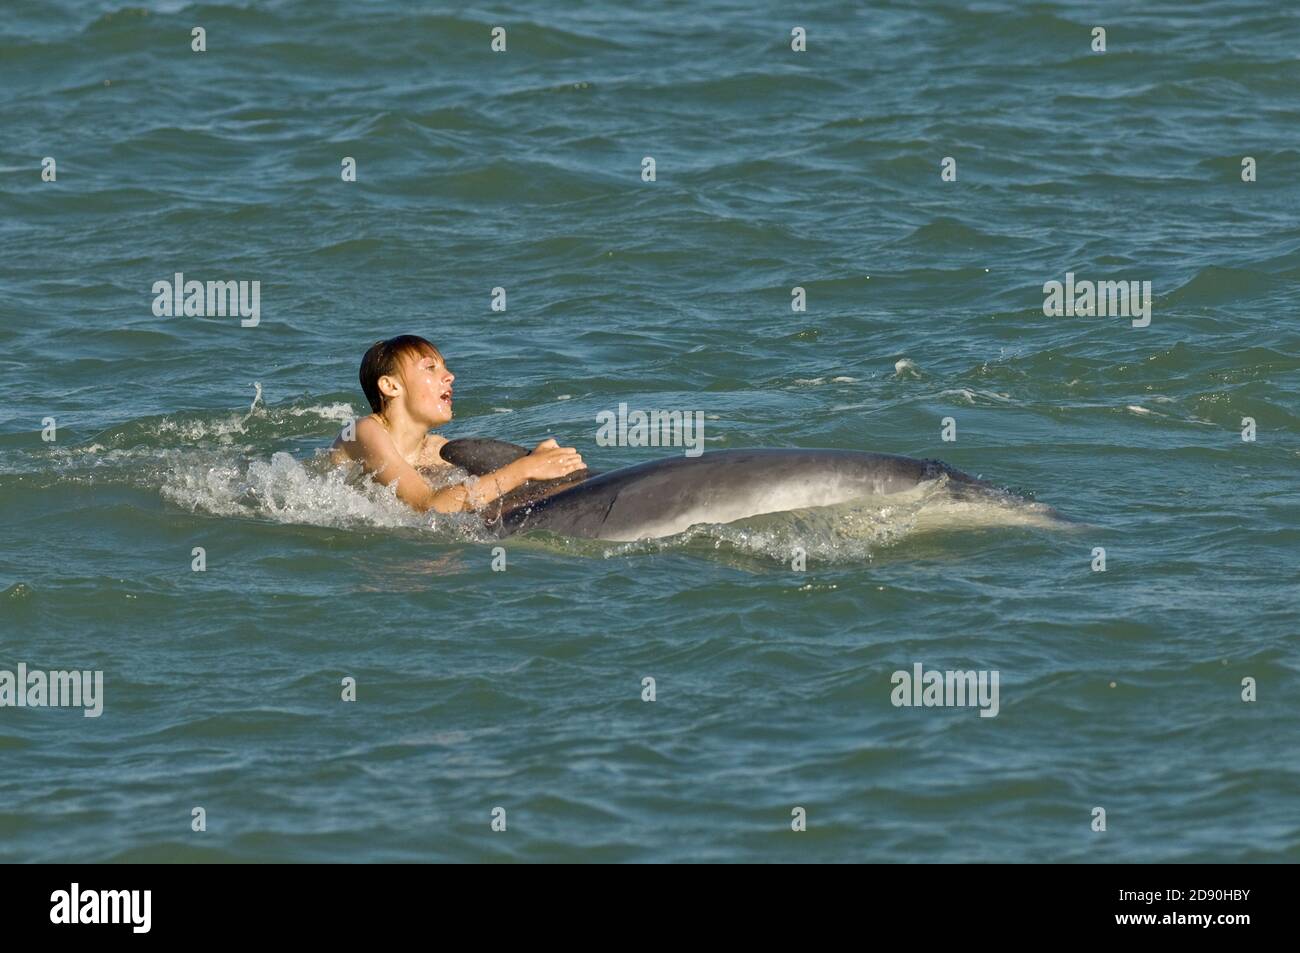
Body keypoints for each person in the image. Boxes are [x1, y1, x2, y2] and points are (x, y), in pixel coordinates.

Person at [330, 335, 584, 513]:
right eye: (430, 368)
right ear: (390, 386)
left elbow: (468, 496)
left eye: (445, 367)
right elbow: (429, 506)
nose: (450, 376)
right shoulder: (364, 431)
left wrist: (547, 469)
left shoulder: (436, 451)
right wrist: (525, 468)